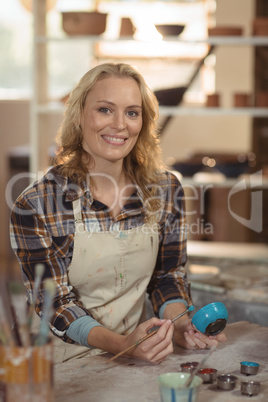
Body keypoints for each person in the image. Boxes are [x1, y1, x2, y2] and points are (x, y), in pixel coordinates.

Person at [10, 63, 226, 364]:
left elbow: (167, 276)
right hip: (61, 364)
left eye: (132, 112)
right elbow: (55, 304)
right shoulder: (38, 203)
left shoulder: (165, 190)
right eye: (105, 110)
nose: (120, 124)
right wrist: (122, 344)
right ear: (79, 116)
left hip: (136, 358)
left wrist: (179, 324)